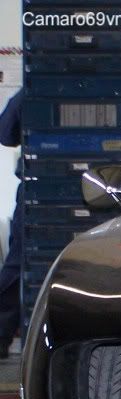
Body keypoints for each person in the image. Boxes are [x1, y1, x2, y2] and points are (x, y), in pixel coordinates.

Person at [0, 88, 23, 359]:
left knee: (19, 263)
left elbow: (6, 134)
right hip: (108, 185)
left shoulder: (29, 93)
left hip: (38, 190)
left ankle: (2, 334)